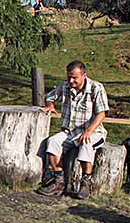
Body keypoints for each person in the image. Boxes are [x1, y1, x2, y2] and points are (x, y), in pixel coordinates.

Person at [36, 60, 109, 200]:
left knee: (86, 143)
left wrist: (88, 131)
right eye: (69, 77)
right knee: (52, 142)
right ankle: (59, 180)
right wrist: (50, 105)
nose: (71, 81)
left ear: (84, 75)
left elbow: (101, 114)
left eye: (74, 78)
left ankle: (85, 182)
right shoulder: (65, 86)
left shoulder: (96, 88)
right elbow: (50, 96)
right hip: (70, 131)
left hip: (94, 131)